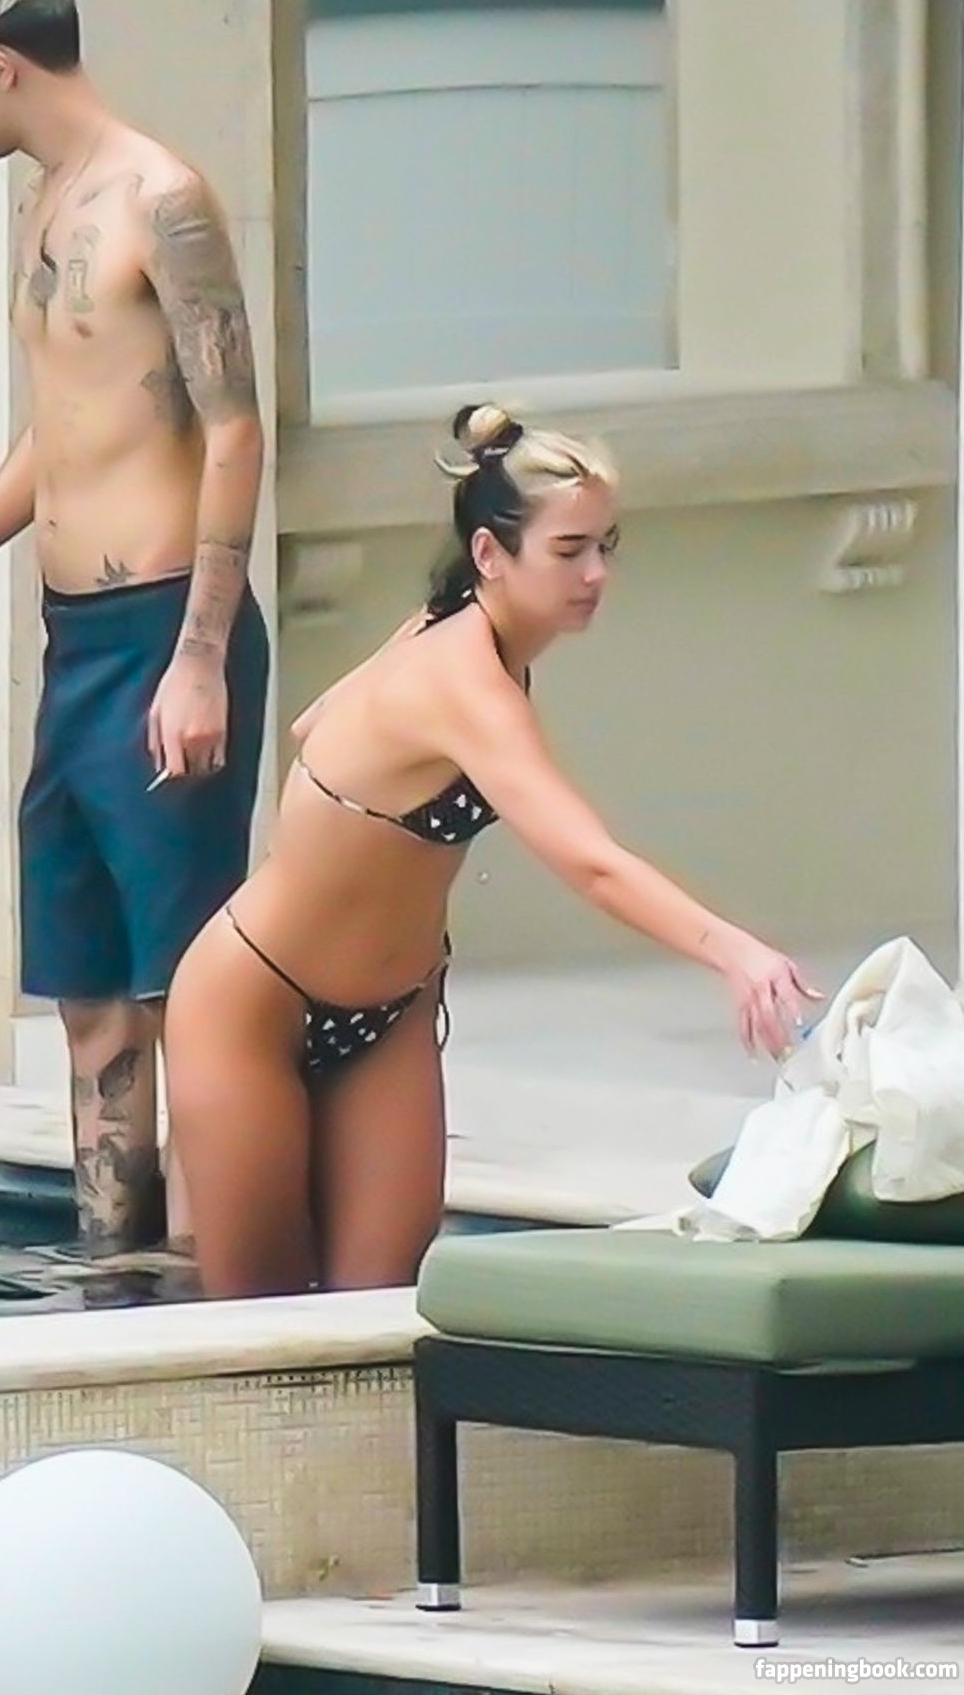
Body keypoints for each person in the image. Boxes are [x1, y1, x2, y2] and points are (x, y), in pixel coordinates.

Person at [164, 403, 821, 1300]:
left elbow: (314, 722)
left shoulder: (458, 633)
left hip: (392, 1014)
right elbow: (589, 861)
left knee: (384, 1314)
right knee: (256, 1324)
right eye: (568, 550)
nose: (595, 574)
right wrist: (734, 953)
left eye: (605, 546)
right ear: (489, 553)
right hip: (252, 1005)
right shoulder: (460, 678)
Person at [0, 0, 269, 1260]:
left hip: (164, 630)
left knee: (188, 992)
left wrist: (200, 657)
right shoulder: (51, 202)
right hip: (75, 644)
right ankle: (110, 1281)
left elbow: (233, 428)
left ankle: (225, 1296)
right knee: (92, 996)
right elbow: (68, 418)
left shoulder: (163, 200)